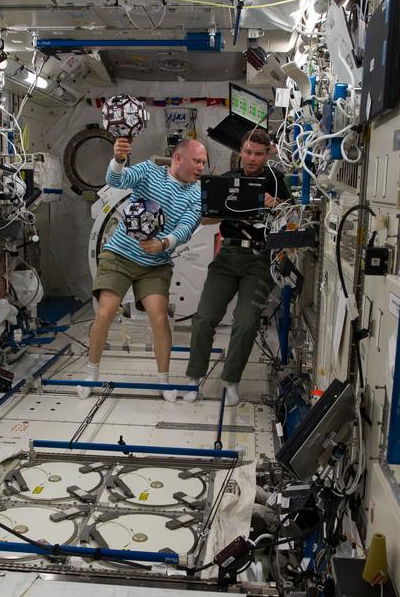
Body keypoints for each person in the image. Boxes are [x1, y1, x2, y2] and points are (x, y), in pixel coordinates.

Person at [80, 136, 207, 400]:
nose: (201, 167)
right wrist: (118, 159)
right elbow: (116, 181)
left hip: (155, 264)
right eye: (197, 161)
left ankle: (163, 381)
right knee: (105, 312)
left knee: (159, 318)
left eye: (204, 163)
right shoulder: (149, 172)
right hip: (119, 256)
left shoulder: (196, 194)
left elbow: (187, 227)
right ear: (178, 158)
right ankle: (91, 373)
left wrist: (164, 243)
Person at [183, 128, 292, 406]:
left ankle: (231, 381)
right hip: (228, 257)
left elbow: (292, 219)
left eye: (258, 154)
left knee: (245, 323)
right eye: (247, 152)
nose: (252, 159)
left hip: (259, 261)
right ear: (240, 152)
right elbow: (205, 219)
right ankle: (194, 379)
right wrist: (228, 209)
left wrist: (275, 204)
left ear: (267, 154)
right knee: (204, 318)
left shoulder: (277, 181)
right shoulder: (227, 181)